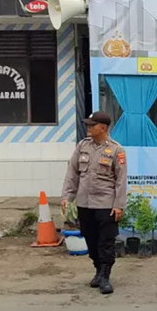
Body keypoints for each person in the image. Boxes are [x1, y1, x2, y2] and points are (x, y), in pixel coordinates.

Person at [62, 111, 127, 294]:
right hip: (85, 203)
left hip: (106, 204)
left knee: (105, 241)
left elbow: (121, 180)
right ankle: (98, 269)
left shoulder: (116, 150)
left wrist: (119, 205)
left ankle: (105, 276)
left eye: (92, 125)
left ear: (103, 128)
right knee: (90, 239)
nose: (88, 128)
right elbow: (72, 173)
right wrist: (67, 197)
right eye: (88, 125)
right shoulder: (83, 146)